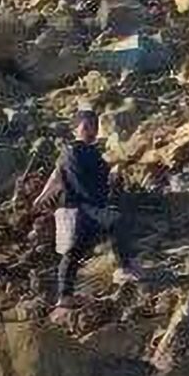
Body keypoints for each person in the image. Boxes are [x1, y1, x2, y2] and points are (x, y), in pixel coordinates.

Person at [34, 110, 120, 304]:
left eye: (95, 125)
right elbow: (57, 176)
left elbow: (58, 175)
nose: (92, 129)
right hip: (76, 207)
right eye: (87, 125)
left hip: (90, 206)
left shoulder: (91, 152)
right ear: (76, 128)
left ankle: (68, 293)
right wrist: (42, 197)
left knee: (79, 249)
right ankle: (64, 295)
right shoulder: (72, 150)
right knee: (73, 251)